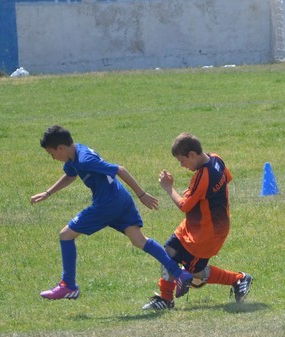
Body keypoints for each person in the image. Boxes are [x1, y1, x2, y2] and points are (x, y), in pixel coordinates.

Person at [31, 125, 192, 300]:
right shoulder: (76, 153)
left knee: (65, 235)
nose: (53, 158)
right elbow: (71, 175)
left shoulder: (84, 160)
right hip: (121, 198)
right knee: (139, 240)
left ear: (60, 148)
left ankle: (68, 285)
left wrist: (142, 194)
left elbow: (120, 170)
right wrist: (48, 193)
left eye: (52, 154)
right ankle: (180, 274)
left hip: (106, 204)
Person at [143, 133, 252, 310]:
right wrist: (198, 193)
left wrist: (169, 188)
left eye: (182, 161)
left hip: (207, 233)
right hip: (194, 226)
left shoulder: (204, 175)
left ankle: (238, 279)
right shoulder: (216, 159)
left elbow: (184, 206)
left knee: (195, 273)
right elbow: (227, 179)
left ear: (192, 155)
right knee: (168, 251)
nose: (182, 165)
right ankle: (165, 299)